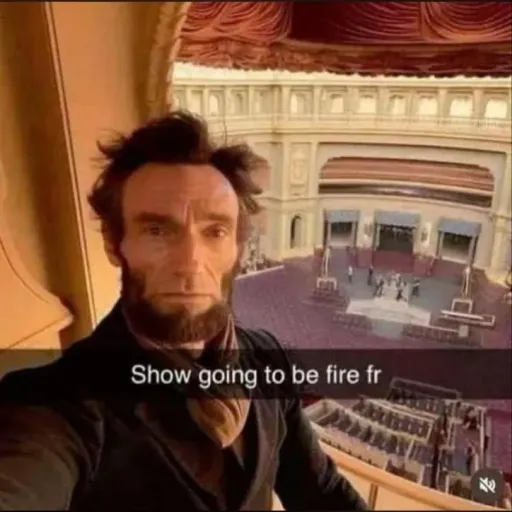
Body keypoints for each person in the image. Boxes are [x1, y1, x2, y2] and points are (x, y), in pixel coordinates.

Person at [0, 112, 367, 511]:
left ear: (236, 247)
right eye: (157, 230)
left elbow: (322, 491)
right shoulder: (54, 404)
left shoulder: (266, 358)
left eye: (215, 231)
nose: (190, 261)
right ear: (113, 243)